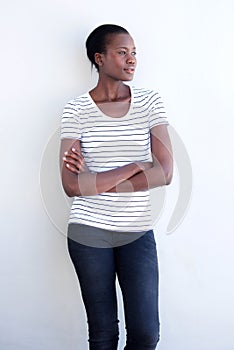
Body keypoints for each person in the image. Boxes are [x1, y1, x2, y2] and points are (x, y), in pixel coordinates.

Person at [60, 24, 173, 350]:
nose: (132, 59)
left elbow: (165, 173)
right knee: (103, 334)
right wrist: (135, 166)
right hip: (87, 231)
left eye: (134, 52)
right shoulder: (76, 109)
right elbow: (70, 184)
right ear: (100, 58)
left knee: (146, 333)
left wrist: (96, 184)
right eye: (122, 52)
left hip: (136, 231)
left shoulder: (150, 102)